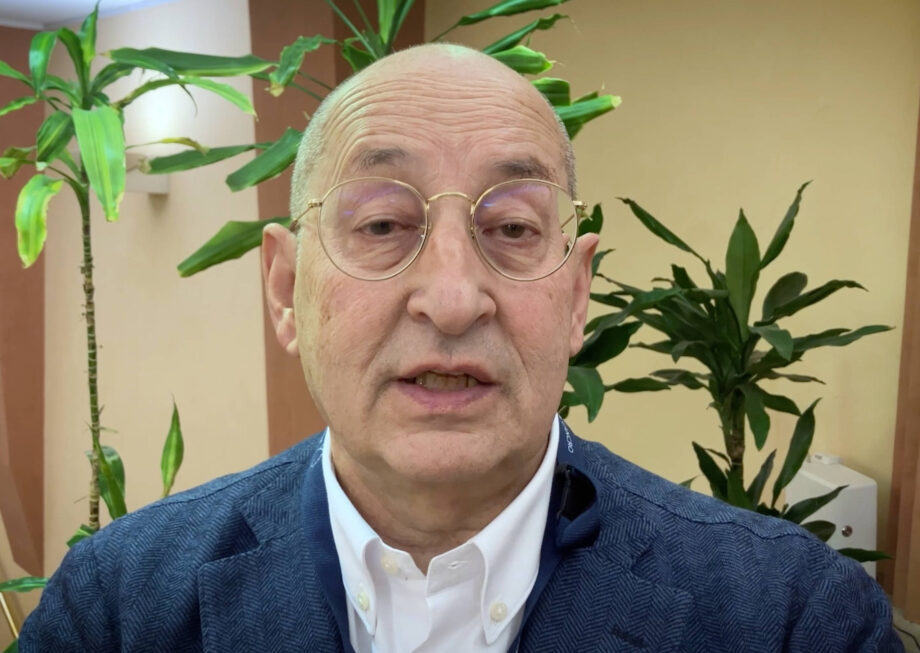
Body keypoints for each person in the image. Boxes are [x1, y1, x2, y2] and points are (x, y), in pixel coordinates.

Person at [20, 43, 902, 653]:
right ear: (286, 289)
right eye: (381, 223)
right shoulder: (117, 608)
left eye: (513, 227)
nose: (451, 299)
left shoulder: (791, 618)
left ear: (577, 295)